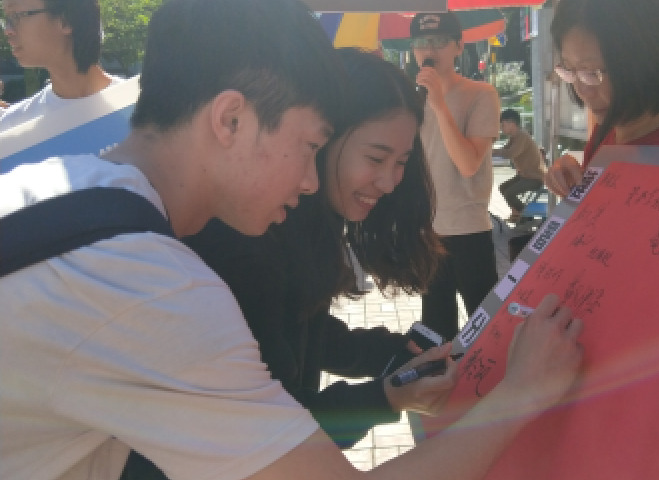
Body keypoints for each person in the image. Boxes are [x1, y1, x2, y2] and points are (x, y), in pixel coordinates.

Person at [0, 0, 585, 478]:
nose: (309, 181)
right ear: (230, 120)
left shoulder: (56, 187)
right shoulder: (152, 288)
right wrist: (524, 393)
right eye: (309, 146)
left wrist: (384, 390)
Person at [119, 47, 451, 478]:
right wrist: (387, 397)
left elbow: (303, 328)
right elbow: (274, 437)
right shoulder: (248, 241)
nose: (389, 181)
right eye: (375, 158)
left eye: (402, 162)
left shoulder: (308, 225)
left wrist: (391, 355)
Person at [544, 0, 659, 196]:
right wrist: (572, 187)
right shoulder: (611, 129)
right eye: (569, 68)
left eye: (592, 71)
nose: (582, 90)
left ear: (652, 64)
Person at [411, 11, 501, 342]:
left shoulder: (481, 94)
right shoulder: (411, 100)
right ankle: (442, 376)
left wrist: (439, 105)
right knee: (435, 330)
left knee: (486, 327)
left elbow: (468, 163)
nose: (428, 50)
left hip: (469, 228)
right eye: (421, 42)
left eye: (439, 41)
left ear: (458, 46)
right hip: (427, 230)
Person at [0, 0, 124, 130]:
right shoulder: (13, 127)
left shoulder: (134, 107)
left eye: (16, 15)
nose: (8, 30)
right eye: (6, 19)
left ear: (66, 20)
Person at [493, 108, 546, 223]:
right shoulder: (514, 137)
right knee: (503, 188)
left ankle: (524, 216)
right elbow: (504, 150)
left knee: (509, 193)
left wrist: (492, 152)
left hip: (534, 178)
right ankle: (517, 213)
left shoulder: (522, 136)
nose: (501, 128)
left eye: (503, 125)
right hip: (524, 176)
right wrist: (491, 152)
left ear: (511, 124)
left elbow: (510, 153)